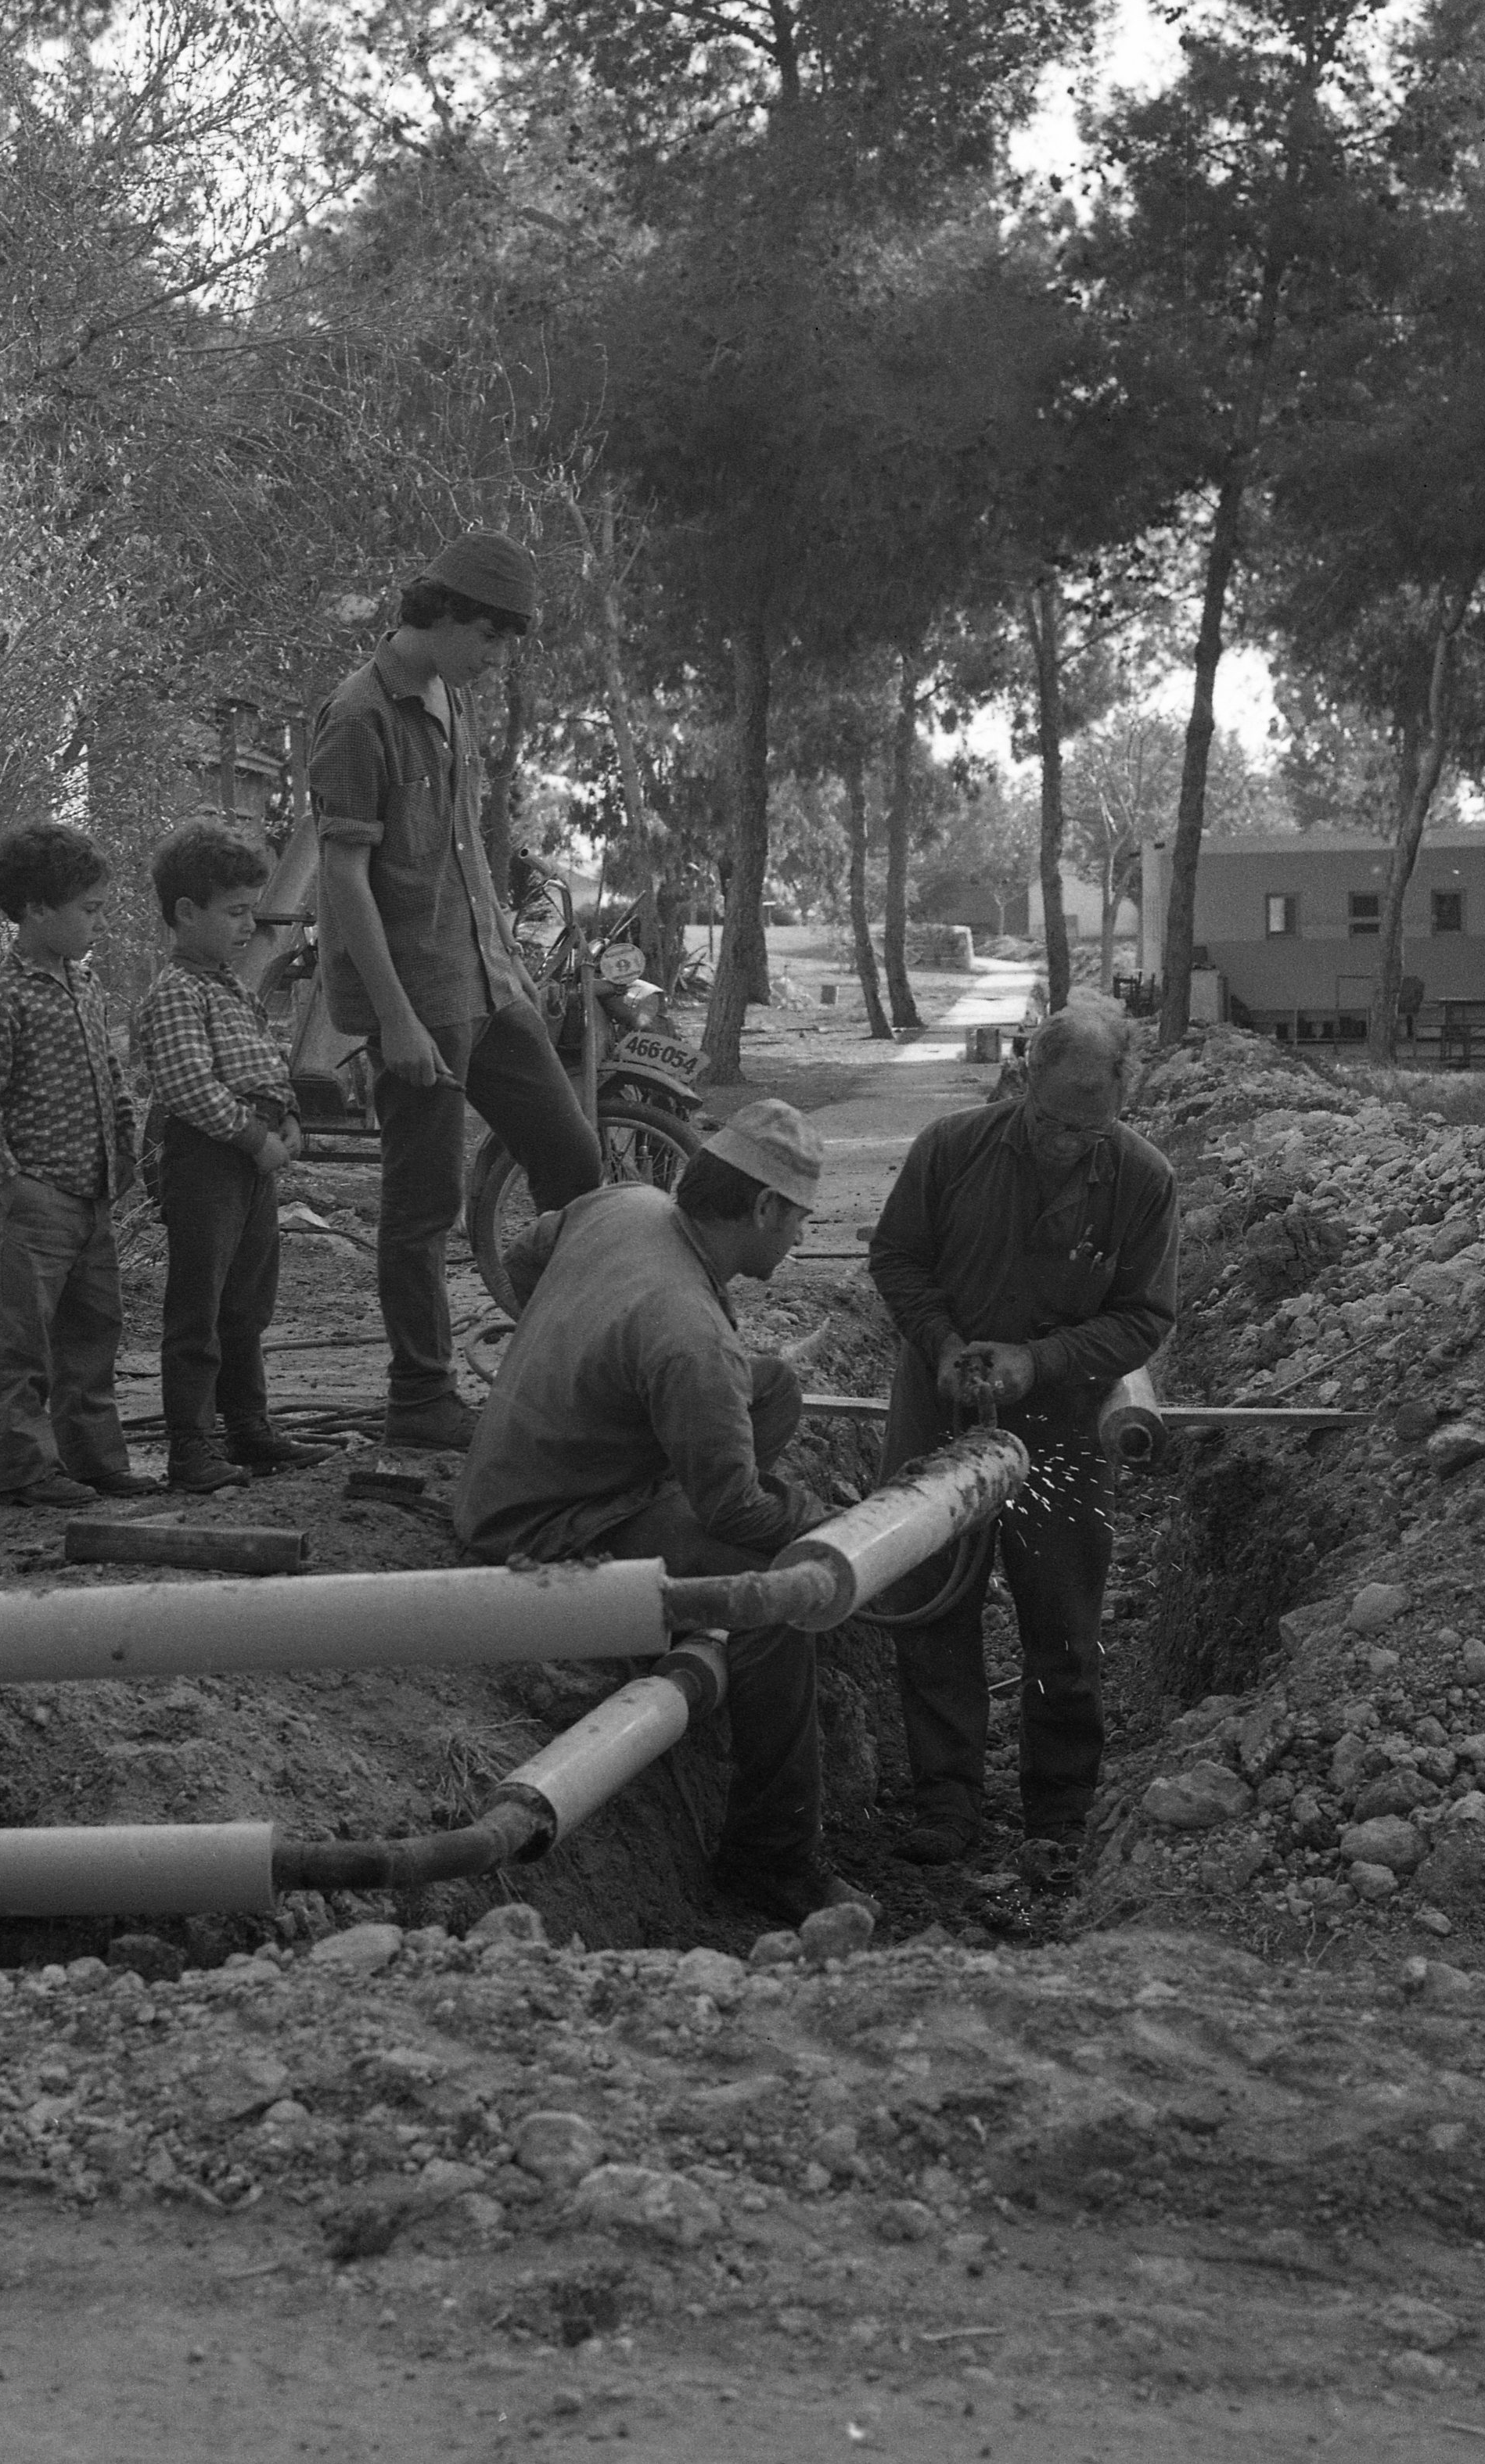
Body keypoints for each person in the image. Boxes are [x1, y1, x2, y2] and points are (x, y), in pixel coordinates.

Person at [454, 1101, 866, 1931]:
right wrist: (819, 1520)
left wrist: (580, 1353)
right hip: (549, 1526)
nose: (795, 1241)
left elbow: (530, 1249)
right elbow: (736, 1505)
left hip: (527, 1469)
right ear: (760, 1208)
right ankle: (770, 1857)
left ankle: (673, 1554)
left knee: (773, 1388)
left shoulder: (625, 1203)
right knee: (774, 1601)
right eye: (795, 1222)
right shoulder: (687, 1333)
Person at [867, 996, 1178, 1884]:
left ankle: (1059, 1810)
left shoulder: (1143, 1180)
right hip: (939, 1410)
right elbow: (897, 1259)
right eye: (1050, 1121)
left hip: (1064, 1424)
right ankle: (946, 1802)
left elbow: (1145, 1318)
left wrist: (1038, 1361)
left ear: (1117, 1106)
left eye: (1089, 1131)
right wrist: (943, 1344)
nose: (1064, 1143)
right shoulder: (949, 1150)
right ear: (1023, 1079)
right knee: (933, 1606)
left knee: (1063, 1622)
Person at [309, 532, 603, 1450]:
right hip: (420, 1004)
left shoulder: (449, 698)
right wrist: (394, 1018)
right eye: (491, 637)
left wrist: (513, 966)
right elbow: (344, 880)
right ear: (439, 613)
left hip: (484, 980)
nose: (497, 658)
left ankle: (572, 1362)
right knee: (422, 1205)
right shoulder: (358, 716)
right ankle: (419, 1397)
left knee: (575, 1166)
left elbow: (464, 853)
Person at [132, 817, 336, 1494]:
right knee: (199, 1305)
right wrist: (255, 1139)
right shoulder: (175, 993)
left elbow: (266, 1067)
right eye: (236, 912)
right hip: (208, 1160)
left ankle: (247, 1427)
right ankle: (190, 1447)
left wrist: (292, 1119)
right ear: (187, 913)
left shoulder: (232, 989)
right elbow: (190, 1086)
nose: (249, 925)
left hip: (250, 1164)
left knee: (247, 1302)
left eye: (252, 910)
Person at [0, 819, 150, 1512]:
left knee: (93, 1336)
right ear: (37, 909)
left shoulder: (88, 987)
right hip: (39, 1200)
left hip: (93, 1198)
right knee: (24, 1343)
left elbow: (111, 1073)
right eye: (89, 910)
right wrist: (10, 1178)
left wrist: (125, 1148)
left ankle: (95, 1460)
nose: (99, 923)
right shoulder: (1, 995)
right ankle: (22, 1469)